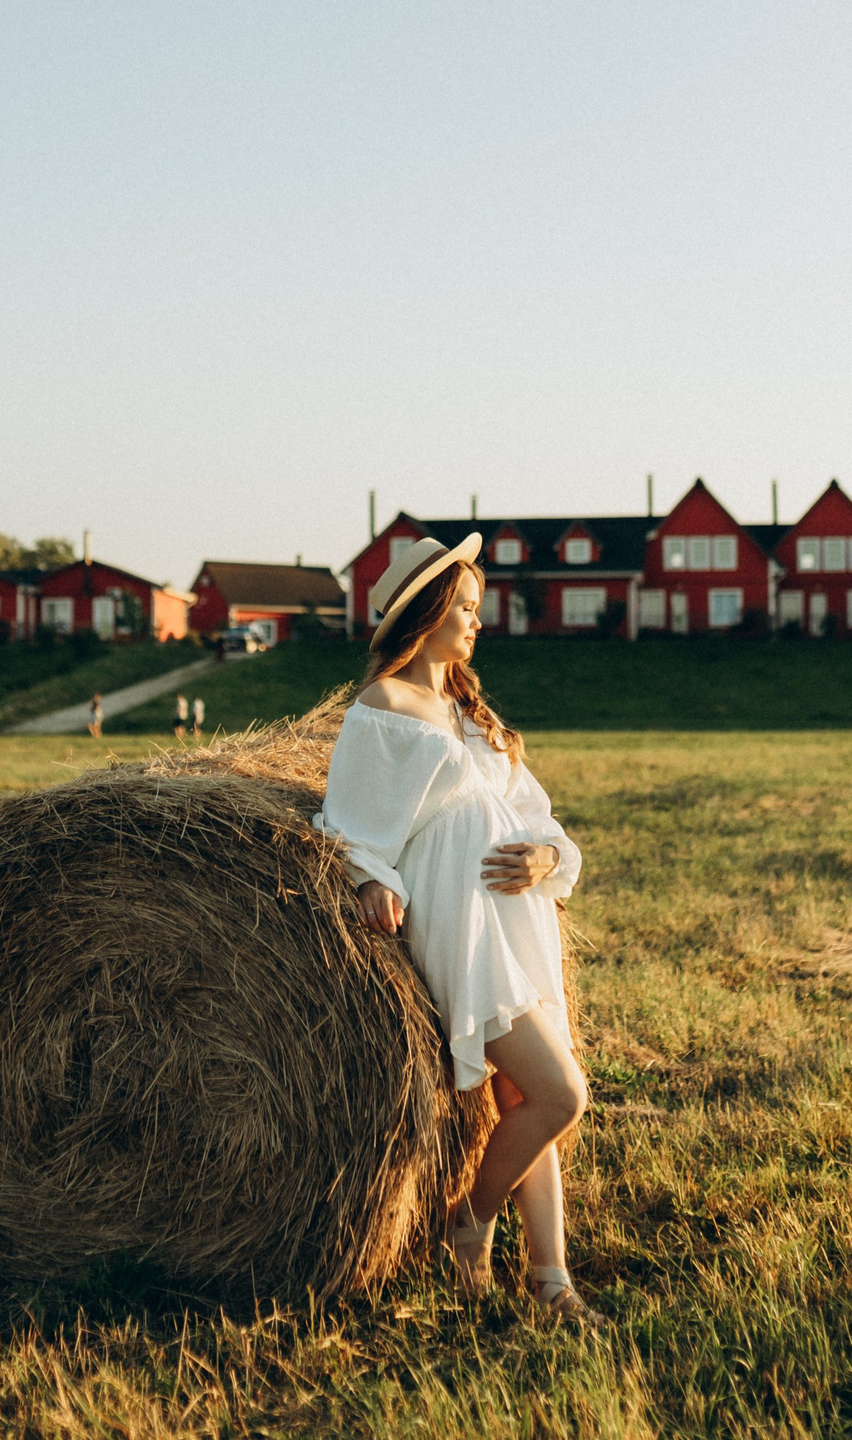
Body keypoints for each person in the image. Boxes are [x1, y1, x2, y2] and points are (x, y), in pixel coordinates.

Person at [316, 534, 588, 1314]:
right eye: (464, 607)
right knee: (560, 1093)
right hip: (460, 917)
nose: (476, 621)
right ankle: (469, 1222)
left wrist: (545, 859)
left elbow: (539, 817)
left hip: (516, 916)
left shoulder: (475, 716)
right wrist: (367, 877)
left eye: (476, 606)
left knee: (523, 1099)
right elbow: (348, 823)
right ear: (426, 612)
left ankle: (551, 1278)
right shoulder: (384, 707)